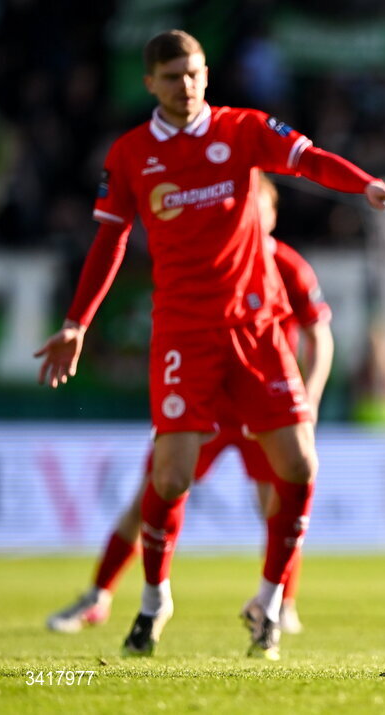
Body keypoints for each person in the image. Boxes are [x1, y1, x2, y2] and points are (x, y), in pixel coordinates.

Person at [35, 30, 385, 660]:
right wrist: (77, 322)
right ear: (150, 82)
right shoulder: (129, 155)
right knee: (170, 476)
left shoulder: (242, 129)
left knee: (299, 469)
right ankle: (151, 600)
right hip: (184, 333)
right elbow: (108, 241)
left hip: (256, 335)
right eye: (174, 76)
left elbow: (309, 158)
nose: (188, 85)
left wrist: (364, 184)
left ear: (208, 74)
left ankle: (268, 601)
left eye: (196, 73)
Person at [46, 175, 330, 638]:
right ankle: (98, 596)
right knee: (149, 498)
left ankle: (281, 602)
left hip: (264, 407)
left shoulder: (288, 265)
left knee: (279, 504)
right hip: (208, 407)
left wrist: (309, 397)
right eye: (242, 205)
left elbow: (320, 334)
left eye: (258, 206)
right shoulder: (211, 261)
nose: (248, 215)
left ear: (272, 215)